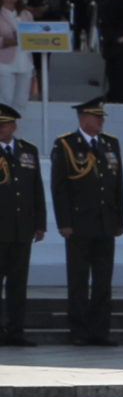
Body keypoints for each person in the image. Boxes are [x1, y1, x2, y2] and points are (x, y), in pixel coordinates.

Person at [52, 98, 122, 345]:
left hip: (105, 223)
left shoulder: (110, 144)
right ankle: (79, 331)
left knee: (103, 281)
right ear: (84, 119)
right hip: (79, 223)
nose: (101, 120)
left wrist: (119, 220)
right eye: (96, 116)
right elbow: (60, 188)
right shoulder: (66, 145)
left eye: (102, 116)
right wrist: (64, 222)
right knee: (79, 280)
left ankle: (100, 331)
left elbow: (116, 185)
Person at [0, 101, 39, 346]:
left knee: (18, 283)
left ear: (14, 126)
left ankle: (16, 330)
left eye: (4, 124)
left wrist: (40, 223)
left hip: (21, 228)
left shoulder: (28, 151)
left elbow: (36, 189)